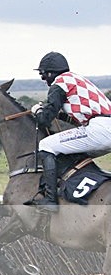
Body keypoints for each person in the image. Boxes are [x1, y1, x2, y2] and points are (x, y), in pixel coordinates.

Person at [27, 51, 111, 212]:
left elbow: (44, 120)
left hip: (100, 129)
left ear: (51, 72)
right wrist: (56, 112)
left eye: (43, 75)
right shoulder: (75, 79)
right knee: (69, 154)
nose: (43, 79)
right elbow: (75, 116)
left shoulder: (59, 83)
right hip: (104, 126)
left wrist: (38, 110)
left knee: (46, 145)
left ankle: (50, 200)